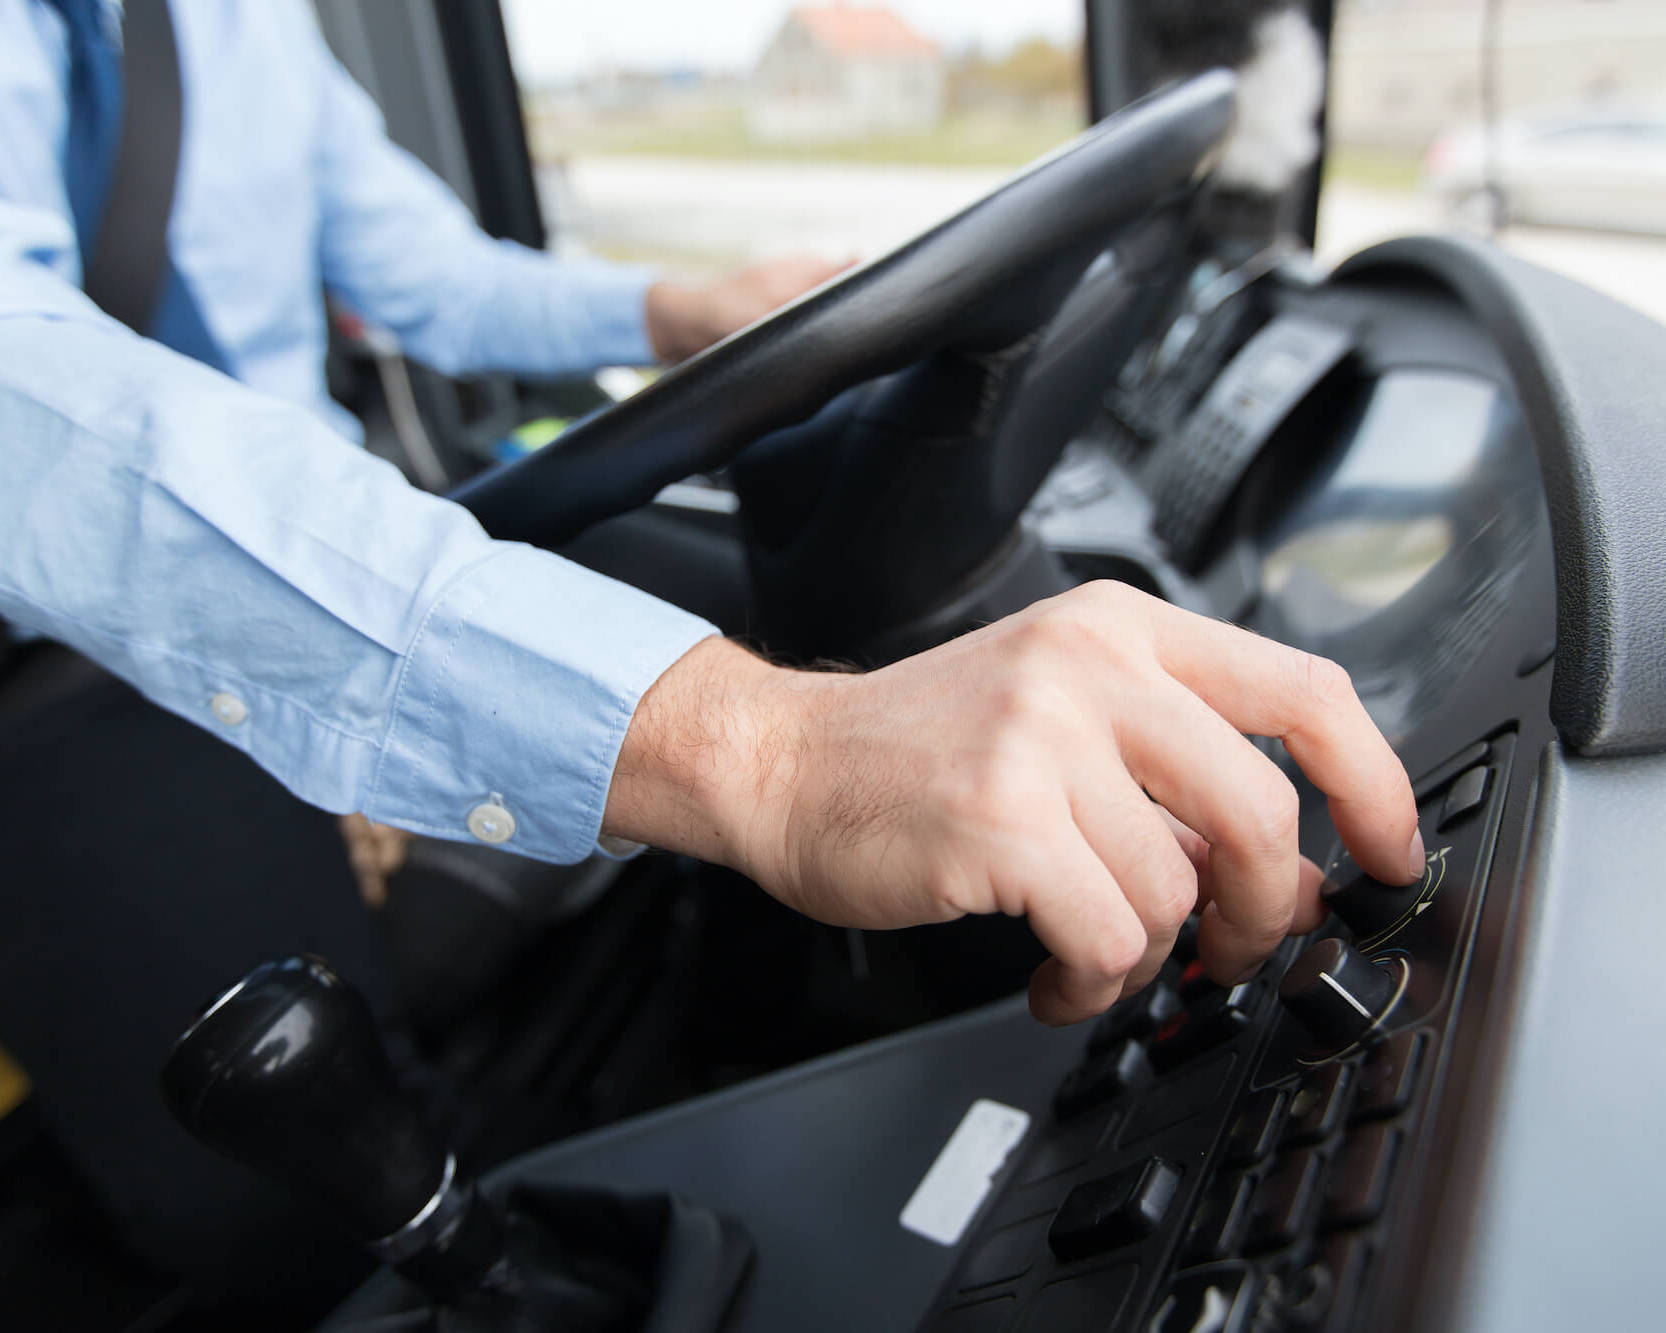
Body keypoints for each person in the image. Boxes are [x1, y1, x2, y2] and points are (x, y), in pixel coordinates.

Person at [0, 0, 1422, 1022]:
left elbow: (434, 275)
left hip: (313, 520)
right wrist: (763, 751)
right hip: (68, 642)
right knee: (251, 1196)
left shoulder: (247, 25)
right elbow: (31, 407)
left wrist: (683, 307)